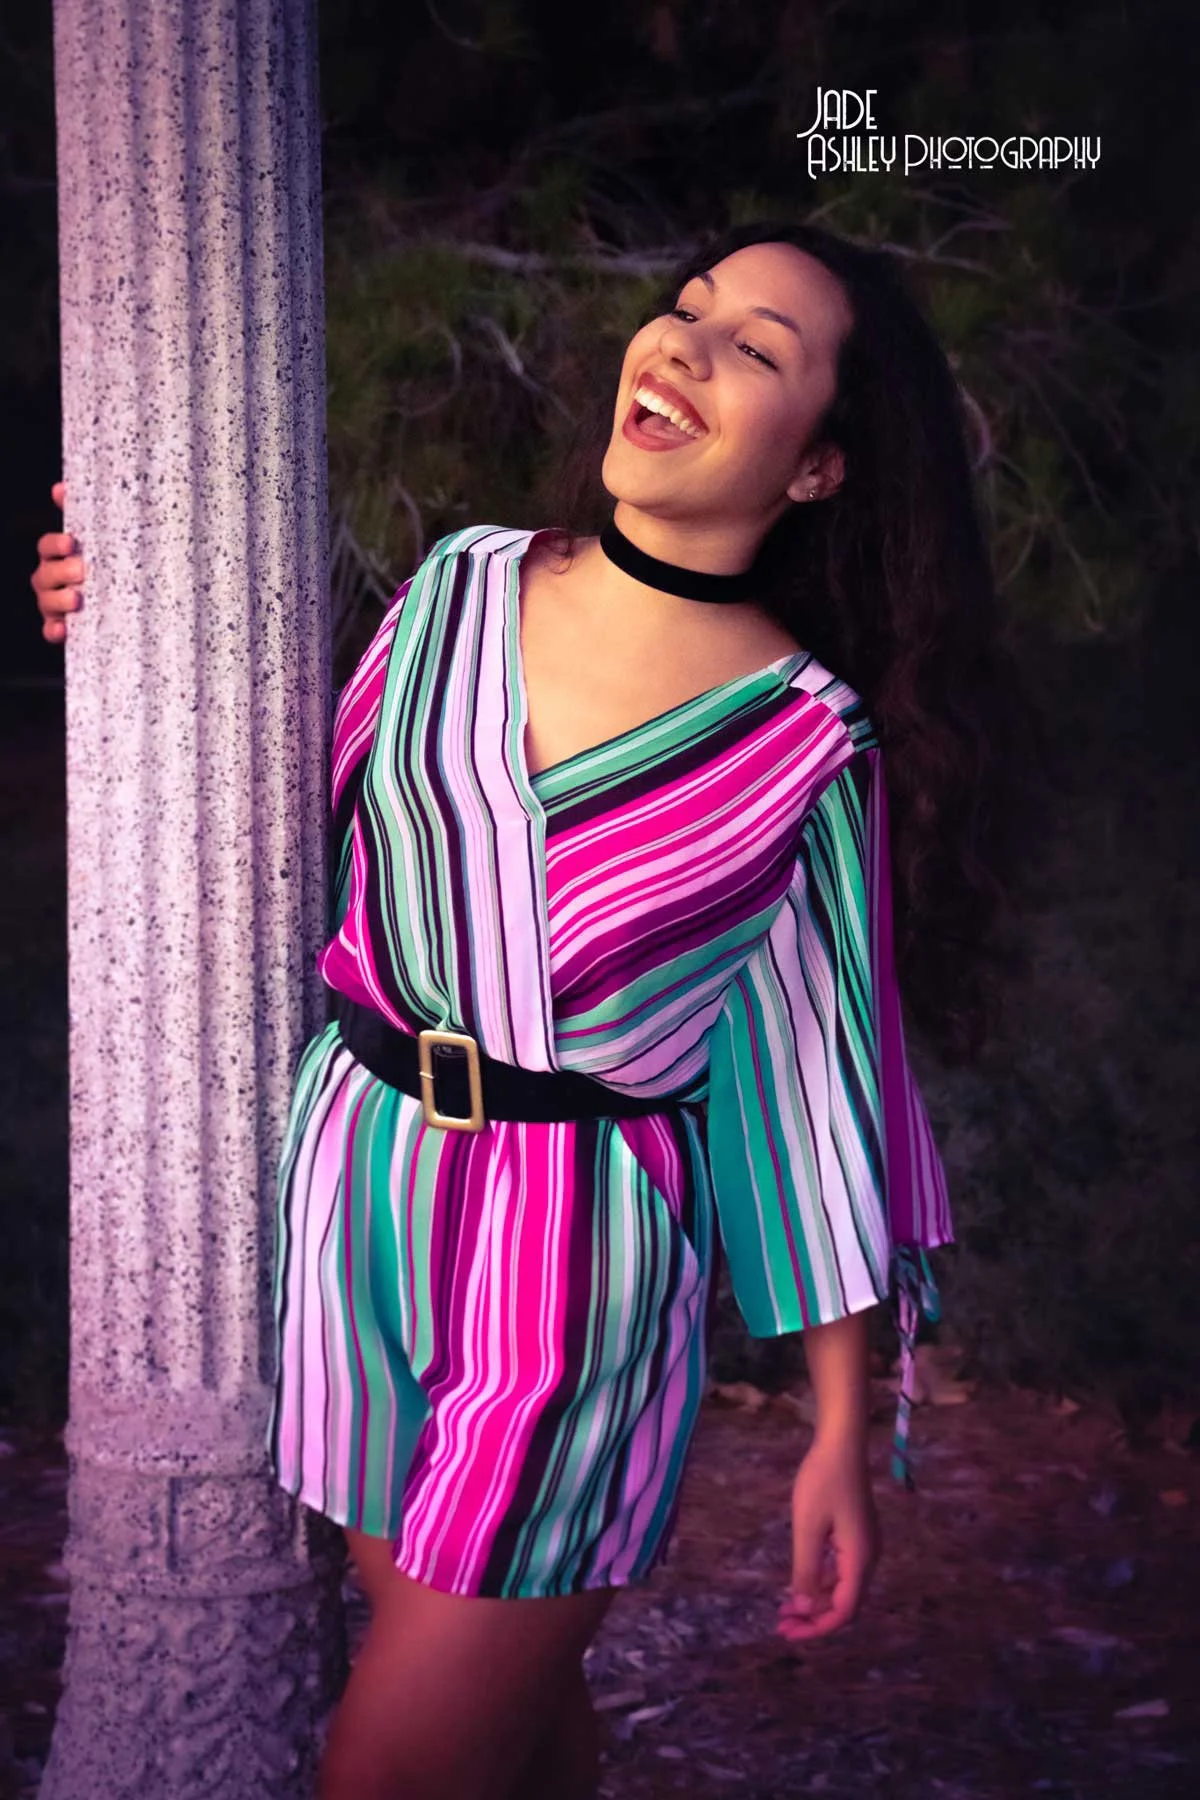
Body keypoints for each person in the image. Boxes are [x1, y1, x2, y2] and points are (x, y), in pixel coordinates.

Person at [32, 221, 1022, 1800]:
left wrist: (841, 1427)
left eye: (757, 349)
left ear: (820, 466)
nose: (685, 344)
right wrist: (122, 623)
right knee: (502, 1723)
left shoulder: (803, 741)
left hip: (574, 1275)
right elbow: (268, 787)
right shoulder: (456, 584)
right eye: (689, 308)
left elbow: (813, 1084)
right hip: (356, 1200)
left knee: (393, 1769)